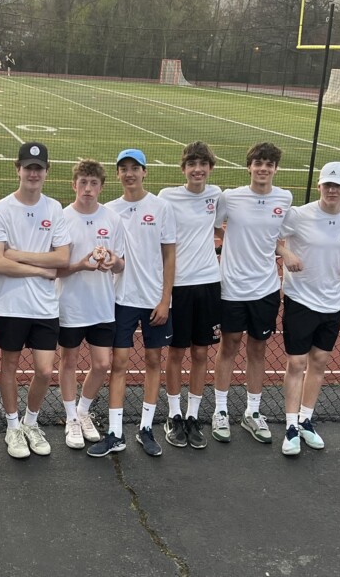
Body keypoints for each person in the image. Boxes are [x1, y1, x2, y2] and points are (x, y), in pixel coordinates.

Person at [275, 162, 340, 456]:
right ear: (319, 186)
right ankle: (291, 426)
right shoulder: (299, 215)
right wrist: (287, 252)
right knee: (296, 363)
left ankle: (306, 420)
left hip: (334, 300)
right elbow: (274, 238)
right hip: (301, 297)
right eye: (327, 184)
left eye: (338, 185)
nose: (332, 190)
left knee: (318, 361)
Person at [89, 148, 176, 458]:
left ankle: (146, 428)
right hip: (121, 298)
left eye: (135, 167)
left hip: (154, 299)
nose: (129, 173)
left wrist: (166, 299)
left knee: (154, 362)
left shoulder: (161, 208)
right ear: (117, 174)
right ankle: (115, 432)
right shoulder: (109, 211)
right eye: (123, 168)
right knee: (120, 364)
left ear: (144, 172)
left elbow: (169, 255)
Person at [0, 141, 71, 459]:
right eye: (28, 167)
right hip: (11, 303)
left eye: (38, 168)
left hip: (45, 306)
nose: (33, 173)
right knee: (8, 366)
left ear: (46, 171)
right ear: (18, 169)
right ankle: (12, 427)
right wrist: (41, 267)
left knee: (45, 370)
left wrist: (17, 256)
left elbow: (62, 259)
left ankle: (30, 421)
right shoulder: (2, 209)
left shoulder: (54, 208)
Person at [211, 142, 292, 445]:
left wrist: (284, 252)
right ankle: (220, 410)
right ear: (249, 167)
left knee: (258, 349)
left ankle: (253, 412)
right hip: (232, 285)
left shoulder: (284, 198)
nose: (263, 169)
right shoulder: (230, 197)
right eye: (258, 163)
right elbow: (216, 226)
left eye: (269, 164)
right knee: (229, 346)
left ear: (275, 169)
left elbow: (278, 236)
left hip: (266, 288)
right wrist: (233, 237)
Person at [156, 141, 222, 450]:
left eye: (203, 164)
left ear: (210, 168)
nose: (198, 169)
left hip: (209, 283)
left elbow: (227, 224)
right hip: (178, 285)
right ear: (183, 169)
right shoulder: (167, 197)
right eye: (192, 164)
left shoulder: (217, 195)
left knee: (200, 353)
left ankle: (194, 416)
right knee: (176, 352)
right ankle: (174, 414)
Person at [56, 159, 125, 449]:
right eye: (83, 182)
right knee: (68, 361)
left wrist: (111, 261)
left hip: (101, 305)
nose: (87, 188)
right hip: (70, 303)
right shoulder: (62, 217)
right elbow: (56, 268)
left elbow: (121, 265)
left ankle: (83, 411)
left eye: (93, 183)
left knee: (102, 363)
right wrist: (81, 265)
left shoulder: (112, 218)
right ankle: (71, 418)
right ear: (74, 185)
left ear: (101, 187)